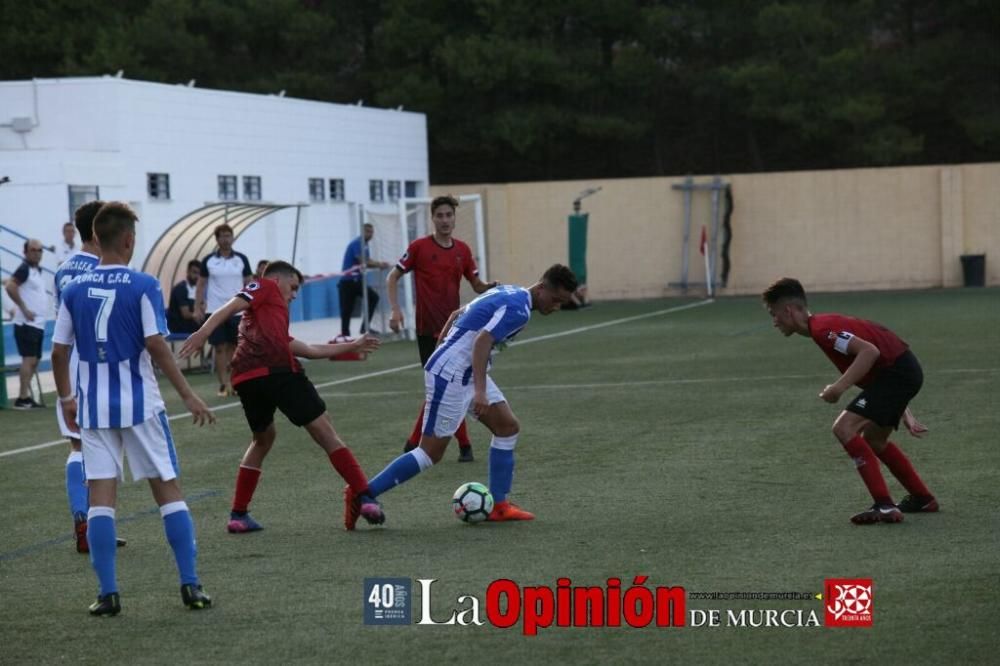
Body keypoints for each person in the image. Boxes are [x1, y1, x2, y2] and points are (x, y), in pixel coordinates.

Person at [51, 201, 215, 616]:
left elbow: (58, 350)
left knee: (101, 500)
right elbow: (157, 344)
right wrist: (188, 394)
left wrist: (67, 398)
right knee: (168, 492)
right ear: (128, 239)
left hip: (93, 410)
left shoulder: (73, 290)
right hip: (141, 407)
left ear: (96, 237)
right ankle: (190, 585)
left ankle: (108, 594)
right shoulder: (143, 285)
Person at [178, 260, 386, 532]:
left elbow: (309, 349)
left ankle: (238, 515)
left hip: (246, 377)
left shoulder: (266, 321)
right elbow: (230, 306)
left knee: (263, 439)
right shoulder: (265, 286)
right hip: (277, 370)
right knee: (324, 429)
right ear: (278, 280)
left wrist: (353, 345)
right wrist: (204, 332)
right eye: (294, 287)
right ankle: (365, 496)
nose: (295, 294)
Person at [366, 264, 578, 522]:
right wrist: (479, 391)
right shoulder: (519, 310)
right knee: (429, 453)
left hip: (461, 370)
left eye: (561, 304)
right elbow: (482, 342)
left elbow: (457, 313)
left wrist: (442, 347)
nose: (556, 307)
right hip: (454, 375)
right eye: (556, 300)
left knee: (507, 427)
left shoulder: (510, 291)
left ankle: (499, 505)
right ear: (542, 288)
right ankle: (364, 494)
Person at [762, 277, 938, 525]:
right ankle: (923, 498)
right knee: (875, 440)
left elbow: (869, 352)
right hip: (900, 372)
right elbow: (878, 363)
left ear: (789, 310)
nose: (774, 322)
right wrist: (903, 409)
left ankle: (884, 506)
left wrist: (837, 388)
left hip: (897, 374)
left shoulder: (823, 330)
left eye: (774, 314)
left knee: (843, 428)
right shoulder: (823, 327)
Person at [387, 195, 497, 462]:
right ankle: (458, 445)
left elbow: (476, 285)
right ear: (433, 218)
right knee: (443, 387)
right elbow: (393, 276)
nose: (445, 220)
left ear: (454, 218)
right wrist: (395, 309)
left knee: (446, 387)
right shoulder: (419, 248)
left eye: (449, 215)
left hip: (456, 331)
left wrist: (493, 289)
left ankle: (418, 444)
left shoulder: (463, 250)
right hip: (428, 330)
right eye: (440, 215)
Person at [53, 200, 127, 554]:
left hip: (68, 367)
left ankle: (84, 520)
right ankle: (98, 525)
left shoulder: (62, 269)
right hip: (100, 366)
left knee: (77, 446)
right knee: (103, 448)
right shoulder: (106, 267)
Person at [195, 224, 253, 396]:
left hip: (237, 310)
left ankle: (235, 382)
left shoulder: (241, 259)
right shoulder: (208, 260)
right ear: (217, 239)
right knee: (219, 347)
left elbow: (249, 283)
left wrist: (251, 305)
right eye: (222, 236)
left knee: (235, 347)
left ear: (232, 237)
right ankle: (223, 384)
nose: (226, 239)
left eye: (229, 235)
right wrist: (198, 305)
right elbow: (201, 284)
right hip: (214, 310)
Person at [5, 238, 49, 409]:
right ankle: (22, 398)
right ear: (25, 252)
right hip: (26, 324)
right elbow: (10, 286)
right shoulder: (24, 269)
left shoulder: (36, 270)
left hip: (37, 324)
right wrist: (23, 308)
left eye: (40, 250)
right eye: (33, 250)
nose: (37, 253)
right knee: (29, 359)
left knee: (35, 360)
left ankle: (26, 395)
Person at [339, 223, 390, 337]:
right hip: (348, 281)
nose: (370, 234)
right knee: (347, 309)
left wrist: (378, 264)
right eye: (367, 231)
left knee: (373, 298)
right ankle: (345, 335)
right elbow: (362, 260)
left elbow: (367, 261)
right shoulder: (357, 243)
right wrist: (379, 264)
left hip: (358, 280)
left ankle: (364, 328)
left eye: (371, 232)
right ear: (362, 232)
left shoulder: (365, 245)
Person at [167, 260, 202, 335]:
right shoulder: (181, 289)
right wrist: (199, 315)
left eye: (199, 274)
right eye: (194, 272)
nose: (197, 276)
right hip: (180, 327)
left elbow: (203, 306)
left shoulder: (197, 289)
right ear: (188, 272)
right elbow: (185, 314)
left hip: (191, 327)